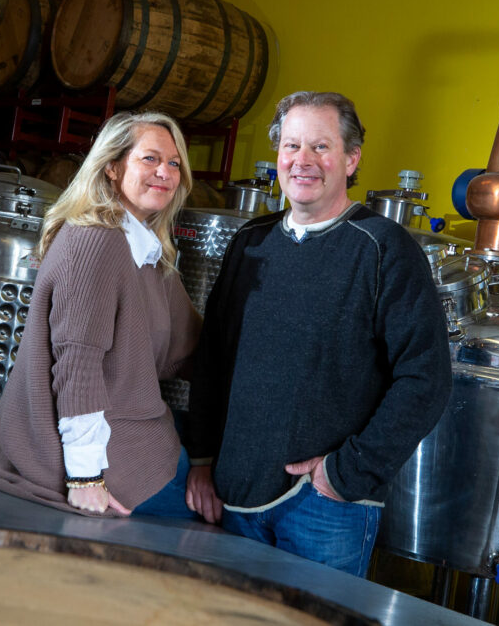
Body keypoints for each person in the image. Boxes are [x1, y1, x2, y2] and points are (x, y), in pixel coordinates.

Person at [185, 91, 452, 577]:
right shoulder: (251, 242)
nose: (302, 161)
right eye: (291, 147)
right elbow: (212, 360)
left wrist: (347, 472)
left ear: (351, 160)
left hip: (326, 510)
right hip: (234, 498)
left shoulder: (383, 249)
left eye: (320, 148)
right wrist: (202, 458)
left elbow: (425, 379)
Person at [0, 111, 202, 519]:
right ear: (113, 167)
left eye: (174, 164)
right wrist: (86, 479)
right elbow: (78, 364)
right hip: (100, 457)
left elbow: (188, 348)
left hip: (137, 433)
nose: (165, 173)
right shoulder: (95, 241)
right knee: (220, 513)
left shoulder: (147, 250)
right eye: (150, 159)